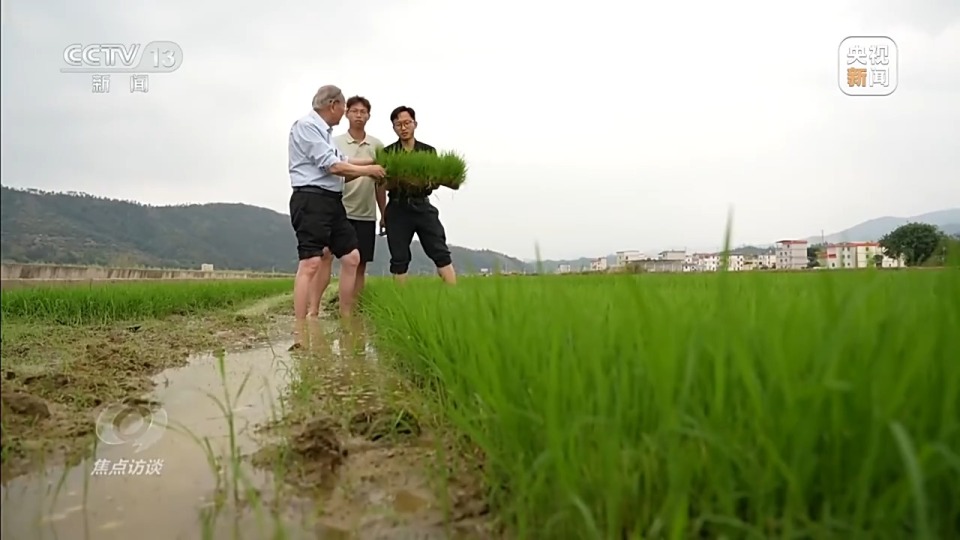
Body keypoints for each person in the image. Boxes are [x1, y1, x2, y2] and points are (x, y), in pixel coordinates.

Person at [288, 85, 385, 336]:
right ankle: (301, 326)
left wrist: (379, 163)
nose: (345, 114)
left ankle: (346, 315)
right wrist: (369, 171)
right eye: (344, 107)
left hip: (333, 202)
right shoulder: (307, 126)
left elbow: (347, 160)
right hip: (311, 200)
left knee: (352, 257)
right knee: (310, 262)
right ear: (333, 105)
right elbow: (333, 166)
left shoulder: (325, 132)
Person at [381, 105, 457, 284]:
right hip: (397, 208)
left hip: (422, 205)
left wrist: (428, 180)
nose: (403, 127)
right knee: (399, 257)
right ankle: (401, 302)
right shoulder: (388, 153)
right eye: (398, 124)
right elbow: (382, 184)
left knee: (440, 251)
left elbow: (435, 182)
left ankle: (454, 293)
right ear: (393, 127)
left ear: (415, 124)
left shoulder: (428, 151)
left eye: (407, 123)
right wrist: (383, 212)